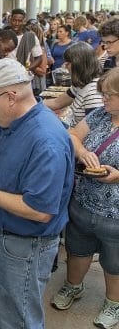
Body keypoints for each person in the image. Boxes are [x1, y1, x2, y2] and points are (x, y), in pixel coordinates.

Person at [0, 58, 75, 329]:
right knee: (13, 310)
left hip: (26, 246)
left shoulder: (45, 141)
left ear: (10, 97)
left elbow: (40, 211)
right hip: (11, 238)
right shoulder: (16, 118)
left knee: (20, 320)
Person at [51, 67, 119, 329]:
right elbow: (72, 135)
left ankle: (113, 303)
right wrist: (82, 153)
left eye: (109, 95)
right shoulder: (100, 114)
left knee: (114, 261)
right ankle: (73, 286)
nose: (103, 99)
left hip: (115, 212)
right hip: (83, 200)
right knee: (77, 247)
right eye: (103, 93)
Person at [45, 42, 104, 127]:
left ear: (79, 64)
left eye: (68, 63)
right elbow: (56, 102)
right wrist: (33, 104)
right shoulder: (81, 84)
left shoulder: (93, 92)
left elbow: (91, 130)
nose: (65, 66)